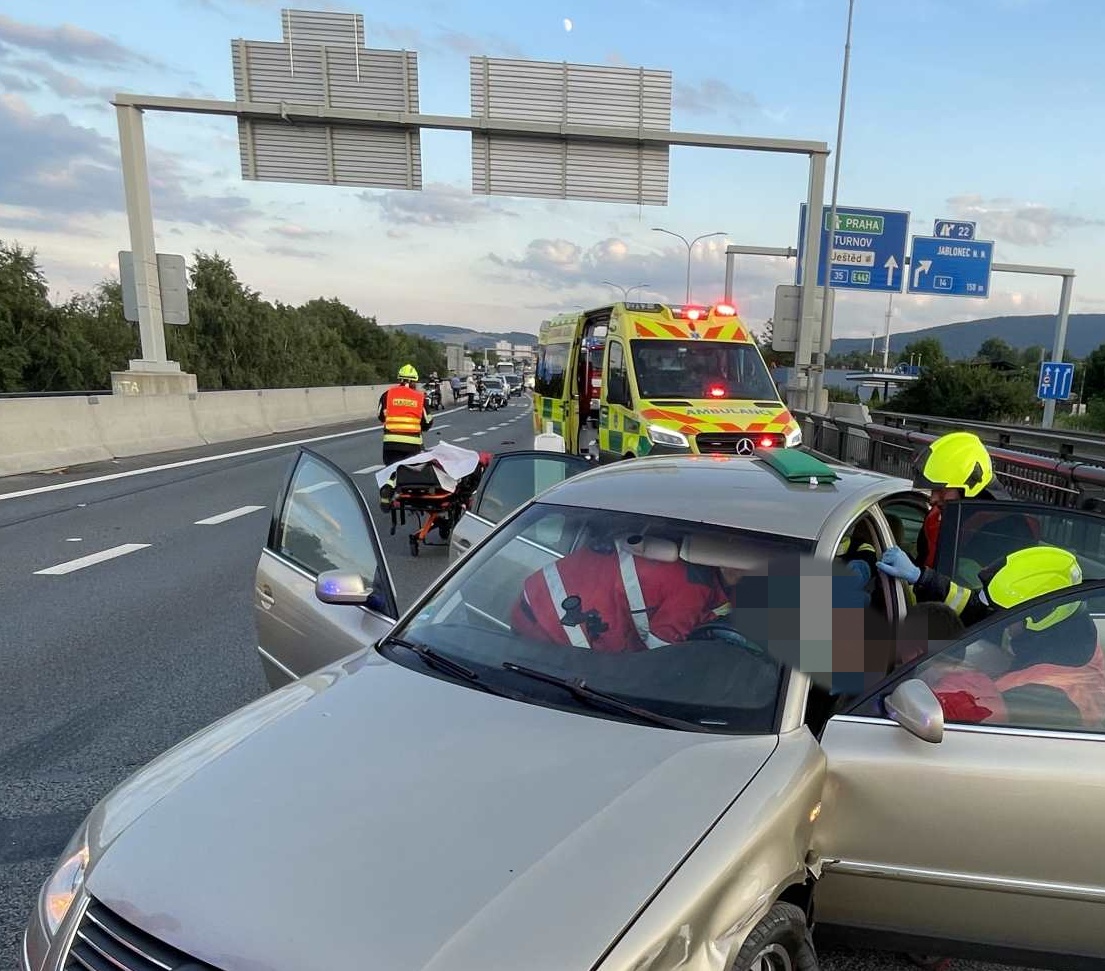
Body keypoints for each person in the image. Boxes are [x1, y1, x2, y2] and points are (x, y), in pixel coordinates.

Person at [878, 544, 1105, 726]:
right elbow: (980, 609)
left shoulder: (1039, 696)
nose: (999, 621)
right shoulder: (1066, 636)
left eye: (1006, 614)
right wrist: (922, 578)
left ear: (1036, 618)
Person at [510, 532, 729, 653]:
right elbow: (659, 658)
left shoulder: (661, 540)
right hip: (551, 637)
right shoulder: (694, 587)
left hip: (530, 605)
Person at [377, 364, 434, 466]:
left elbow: (380, 415)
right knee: (412, 473)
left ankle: (390, 481)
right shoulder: (420, 397)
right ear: (414, 382)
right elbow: (428, 422)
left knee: (392, 471)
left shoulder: (387, 394)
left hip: (391, 444)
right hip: (413, 446)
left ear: (400, 380)